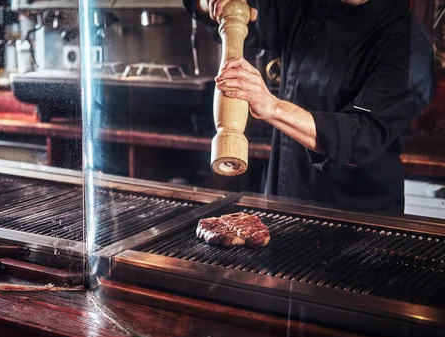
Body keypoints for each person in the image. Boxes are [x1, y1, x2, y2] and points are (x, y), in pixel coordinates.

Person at [186, 0, 433, 213]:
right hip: (282, 200)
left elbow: (361, 136)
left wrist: (270, 106)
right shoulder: (307, 8)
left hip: (355, 222)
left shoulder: (407, 42)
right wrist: (210, 4)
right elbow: (243, 9)